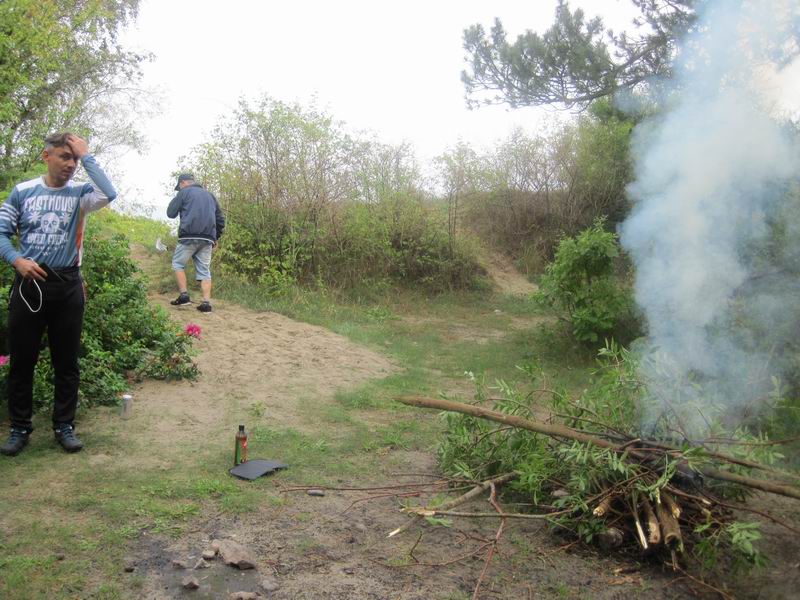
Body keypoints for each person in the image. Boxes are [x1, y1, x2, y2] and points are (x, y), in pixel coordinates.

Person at [0, 132, 117, 456]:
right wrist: (16, 260)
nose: (70, 164)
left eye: (75, 159)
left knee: (66, 362)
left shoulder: (80, 193)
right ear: (45, 156)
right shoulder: (22, 192)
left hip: (67, 285)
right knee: (22, 361)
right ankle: (20, 428)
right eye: (64, 157)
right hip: (29, 286)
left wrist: (88, 155)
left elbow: (109, 192)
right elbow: (1, 233)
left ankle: (64, 426)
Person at [166, 173, 224, 313]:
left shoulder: (184, 193)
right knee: (204, 271)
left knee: (178, 264)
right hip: (207, 238)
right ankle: (206, 304)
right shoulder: (210, 195)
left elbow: (170, 213)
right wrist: (215, 237)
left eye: (179, 187)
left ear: (183, 183)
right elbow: (220, 220)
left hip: (189, 236)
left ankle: (184, 296)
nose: (180, 189)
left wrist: (179, 199)